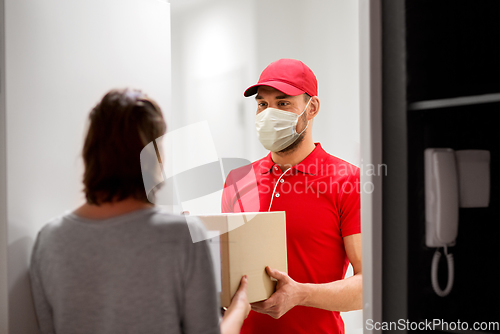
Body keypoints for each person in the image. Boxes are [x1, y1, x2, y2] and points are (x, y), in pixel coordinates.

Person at [29, 88, 250, 334]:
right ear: (152, 158)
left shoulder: (49, 239)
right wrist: (239, 308)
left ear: (91, 153)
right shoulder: (182, 236)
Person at [221, 59, 362, 334]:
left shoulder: (348, 181)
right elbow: (230, 274)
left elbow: (371, 286)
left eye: (283, 103)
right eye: (262, 104)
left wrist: (301, 294)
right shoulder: (238, 181)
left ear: (312, 108)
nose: (269, 113)